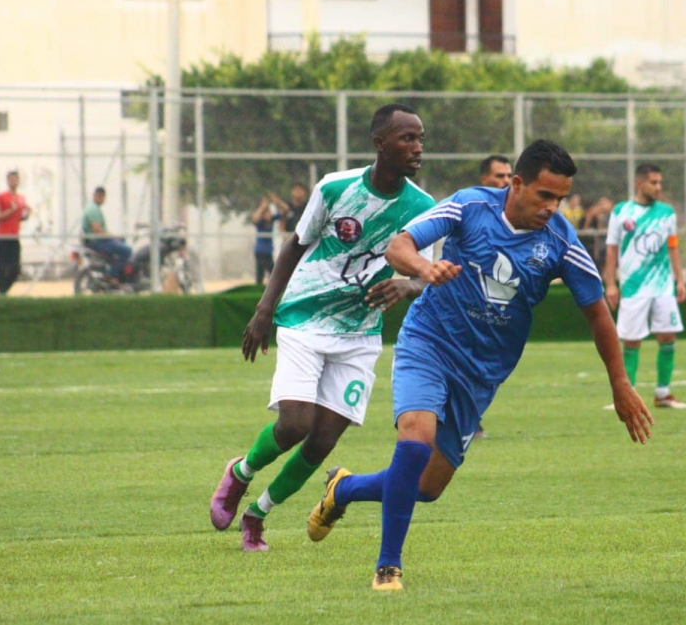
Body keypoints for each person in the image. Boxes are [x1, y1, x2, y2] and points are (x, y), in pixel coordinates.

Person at [306, 139, 654, 591]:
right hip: (429, 341)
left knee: (427, 487)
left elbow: (597, 313)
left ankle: (345, 489)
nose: (553, 207)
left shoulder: (561, 242)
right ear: (516, 183)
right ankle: (388, 566)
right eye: (544, 195)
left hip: (482, 373)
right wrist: (423, 270)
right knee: (415, 438)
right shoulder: (469, 206)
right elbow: (400, 246)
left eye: (561, 199)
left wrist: (620, 384)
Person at [209, 104, 436, 552]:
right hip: (305, 317)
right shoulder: (335, 188)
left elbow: (426, 273)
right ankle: (241, 473)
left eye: (420, 139)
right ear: (380, 144)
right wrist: (264, 310)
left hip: (359, 333)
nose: (417, 148)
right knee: (295, 424)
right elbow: (295, 246)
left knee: (324, 439)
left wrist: (404, 287)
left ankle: (258, 515)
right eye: (407, 138)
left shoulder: (423, 209)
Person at [602, 164, 686, 410]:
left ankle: (663, 394)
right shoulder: (621, 212)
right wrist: (611, 283)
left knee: (667, 336)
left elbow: (673, 246)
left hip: (662, 288)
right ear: (640, 184)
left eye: (660, 182)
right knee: (631, 340)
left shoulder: (667, 213)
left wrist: (679, 279)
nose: (658, 187)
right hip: (633, 287)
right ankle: (625, 395)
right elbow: (611, 248)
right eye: (653, 182)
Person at [472, 154, 513, 439]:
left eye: (509, 176)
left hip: (497, 302)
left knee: (485, 366)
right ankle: (466, 421)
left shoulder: (515, 213)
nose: (506, 182)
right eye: (500, 176)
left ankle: (468, 418)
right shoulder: (472, 208)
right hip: (466, 301)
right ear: (484, 178)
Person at [0, 170, 31, 295]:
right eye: (11, 179)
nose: (14, 182)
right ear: (8, 181)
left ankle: (2, 291)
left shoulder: (20, 198)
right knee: (2, 267)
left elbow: (20, 217)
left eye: (16, 179)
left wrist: (27, 214)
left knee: (15, 268)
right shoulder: (1, 197)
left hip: (14, 236)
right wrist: (11, 210)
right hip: (3, 236)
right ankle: (1, 291)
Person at [82, 187, 132, 282]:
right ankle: (111, 274)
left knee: (122, 240)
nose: (102, 199)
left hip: (99, 240)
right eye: (101, 196)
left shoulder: (94, 208)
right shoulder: (93, 209)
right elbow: (97, 229)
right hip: (97, 242)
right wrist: (112, 237)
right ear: (98, 196)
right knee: (127, 251)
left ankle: (120, 272)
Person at [251, 192, 289, 285]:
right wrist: (263, 206)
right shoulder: (260, 222)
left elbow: (286, 209)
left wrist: (276, 201)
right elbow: (255, 218)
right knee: (260, 274)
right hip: (259, 251)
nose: (268, 215)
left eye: (269, 212)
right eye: (266, 213)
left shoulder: (272, 219)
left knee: (272, 273)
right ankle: (258, 290)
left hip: (268, 251)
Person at [581, 195, 614, 272]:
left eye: (604, 203)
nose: (602, 206)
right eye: (600, 204)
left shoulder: (615, 215)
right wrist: (594, 217)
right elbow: (587, 229)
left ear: (611, 203)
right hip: (601, 248)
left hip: (612, 247)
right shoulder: (599, 216)